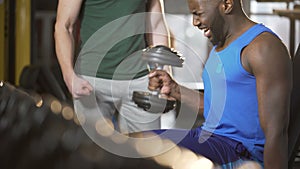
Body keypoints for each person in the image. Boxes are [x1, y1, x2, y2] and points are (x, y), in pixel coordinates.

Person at [147, 0, 292, 168]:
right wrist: (175, 90)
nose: (194, 22)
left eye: (198, 13)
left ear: (227, 4)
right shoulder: (220, 46)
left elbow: (276, 132)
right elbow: (218, 110)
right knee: (131, 142)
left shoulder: (263, 47)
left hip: (238, 151)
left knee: (142, 154)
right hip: (208, 138)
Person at [54, 0, 176, 134]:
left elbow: (156, 23)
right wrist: (69, 76)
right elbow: (64, 26)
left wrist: (164, 70)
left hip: (140, 79)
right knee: (90, 150)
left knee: (149, 149)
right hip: (91, 81)